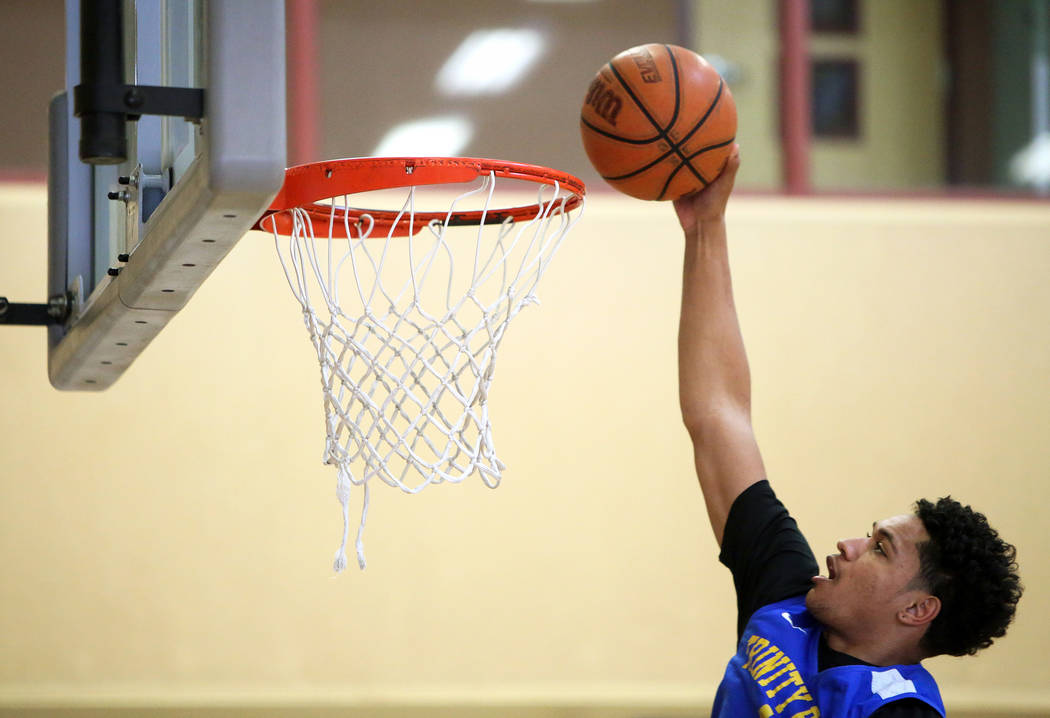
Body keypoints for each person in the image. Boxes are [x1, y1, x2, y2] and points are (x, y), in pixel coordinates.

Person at [672, 145, 1023, 718]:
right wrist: (706, 227)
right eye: (871, 535)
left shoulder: (897, 711)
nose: (849, 546)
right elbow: (718, 416)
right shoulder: (788, 597)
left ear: (917, 610)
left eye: (881, 549)